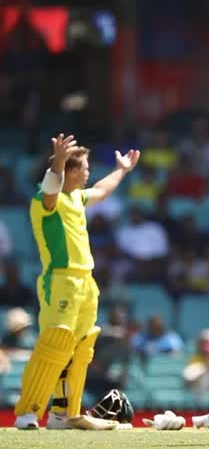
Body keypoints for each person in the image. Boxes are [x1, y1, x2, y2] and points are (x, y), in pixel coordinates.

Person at [15, 134, 140, 430]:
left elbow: (101, 189)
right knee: (55, 344)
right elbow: (50, 187)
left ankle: (64, 414)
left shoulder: (77, 198)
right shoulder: (47, 201)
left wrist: (122, 170)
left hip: (86, 282)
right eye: (84, 167)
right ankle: (28, 413)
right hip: (61, 280)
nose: (88, 172)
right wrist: (58, 159)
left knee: (81, 349)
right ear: (70, 171)